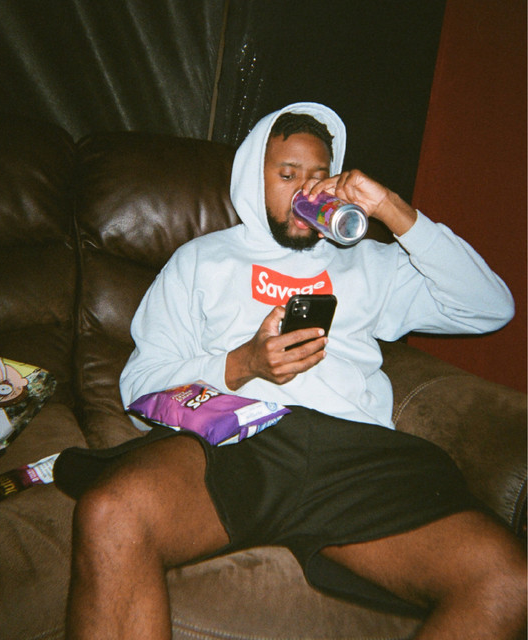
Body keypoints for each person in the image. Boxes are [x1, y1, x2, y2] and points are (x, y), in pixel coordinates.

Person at [62, 103, 526, 639]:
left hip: (355, 456)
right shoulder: (201, 260)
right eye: (287, 176)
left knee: (508, 581)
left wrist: (392, 209)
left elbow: (489, 307)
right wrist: (243, 364)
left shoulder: (370, 263)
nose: (306, 191)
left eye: (318, 176)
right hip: (236, 441)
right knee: (112, 511)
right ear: (252, 178)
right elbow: (140, 389)